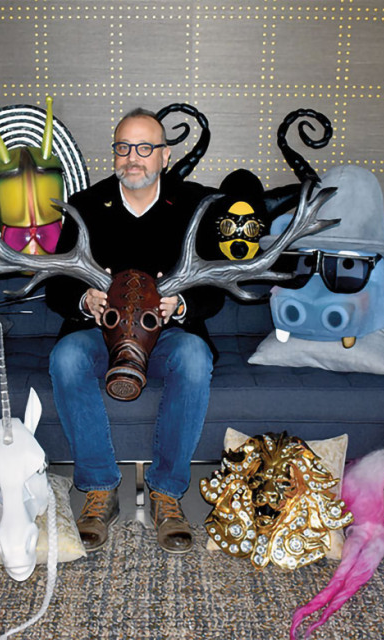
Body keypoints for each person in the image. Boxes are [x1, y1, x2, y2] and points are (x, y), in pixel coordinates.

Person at [45, 108, 224, 554]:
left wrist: (181, 304)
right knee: (66, 357)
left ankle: (166, 493)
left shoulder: (197, 205)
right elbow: (56, 286)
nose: (133, 158)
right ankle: (100, 490)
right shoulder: (85, 206)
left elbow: (216, 288)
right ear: (114, 154)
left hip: (167, 336)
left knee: (195, 358)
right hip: (100, 335)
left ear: (165, 155)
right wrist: (83, 300)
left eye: (145, 148)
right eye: (123, 147)